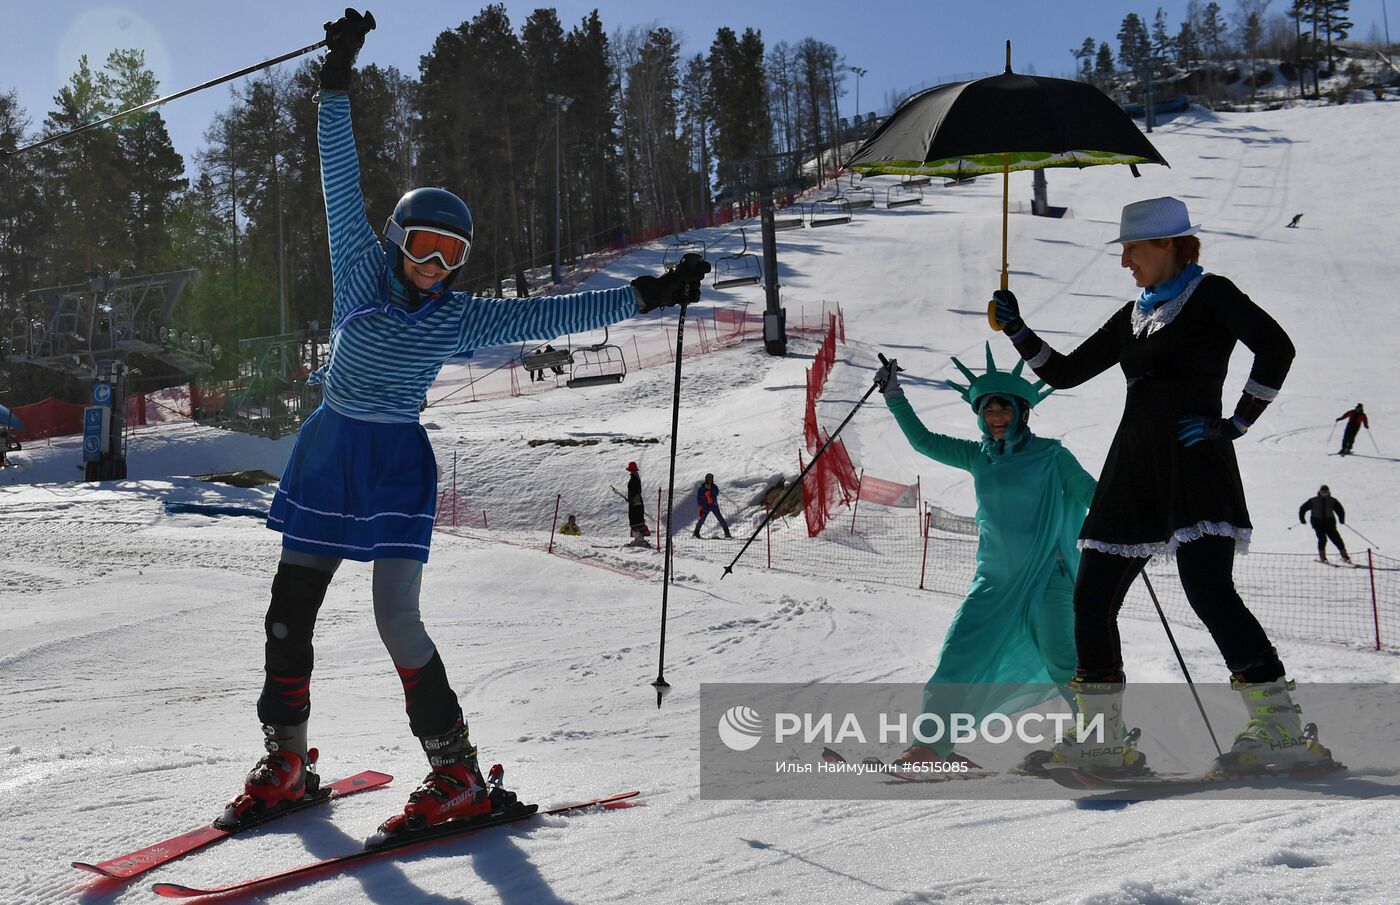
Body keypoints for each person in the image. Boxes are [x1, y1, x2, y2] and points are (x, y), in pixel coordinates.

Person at [227, 9, 708, 843]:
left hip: (393, 466)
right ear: (395, 241)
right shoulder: (358, 272)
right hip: (330, 447)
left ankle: (455, 770)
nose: (436, 266)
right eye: (424, 246)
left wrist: (651, 292)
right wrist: (335, 79)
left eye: (453, 256)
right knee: (287, 608)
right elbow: (337, 173)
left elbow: (558, 309)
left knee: (394, 616)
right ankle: (289, 759)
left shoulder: (456, 319)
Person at [992, 196, 1334, 775]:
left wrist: (1238, 422)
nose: (1125, 261)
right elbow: (1067, 371)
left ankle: (1281, 730)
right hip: (1132, 469)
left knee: (1209, 592)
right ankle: (1102, 739)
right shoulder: (1134, 314)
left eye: (1132, 249)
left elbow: (1277, 348)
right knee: (1091, 597)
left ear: (1168, 245)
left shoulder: (1212, 295)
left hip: (1194, 465)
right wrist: (1018, 328)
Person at [874, 347, 1096, 773]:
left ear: (1021, 412)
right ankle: (931, 747)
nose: (997, 417)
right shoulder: (979, 457)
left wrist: (1128, 518)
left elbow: (1092, 495)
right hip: (994, 578)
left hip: (1050, 575)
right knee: (958, 654)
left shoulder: (1052, 456)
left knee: (1062, 658)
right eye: (989, 410)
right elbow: (923, 441)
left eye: (1004, 409)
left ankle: (1103, 736)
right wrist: (894, 395)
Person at [1299, 485, 1349, 563]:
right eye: (1323, 492)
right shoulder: (1313, 500)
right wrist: (1302, 519)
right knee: (1322, 539)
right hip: (1317, 522)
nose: (1324, 494)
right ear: (1320, 492)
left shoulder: (1332, 500)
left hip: (1329, 522)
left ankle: (1344, 556)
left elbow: (1340, 510)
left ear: (1328, 492)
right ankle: (1322, 557)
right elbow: (1303, 508)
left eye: (1326, 492)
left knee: (1336, 538)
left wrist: (1341, 519)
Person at [693, 473, 732, 538]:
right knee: (701, 519)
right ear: (706, 479)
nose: (710, 480)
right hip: (705, 506)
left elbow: (716, 493)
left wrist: (710, 489)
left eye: (711, 479)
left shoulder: (714, 487)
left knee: (720, 518)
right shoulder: (701, 488)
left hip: (714, 505)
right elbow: (699, 498)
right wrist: (700, 505)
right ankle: (696, 532)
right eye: (708, 478)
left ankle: (727, 533)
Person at [625, 461, 650, 547]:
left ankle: (638, 540)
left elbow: (634, 491)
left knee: (634, 520)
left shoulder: (633, 479)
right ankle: (640, 538)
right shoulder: (636, 477)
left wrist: (630, 499)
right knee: (639, 520)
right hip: (638, 501)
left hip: (635, 503)